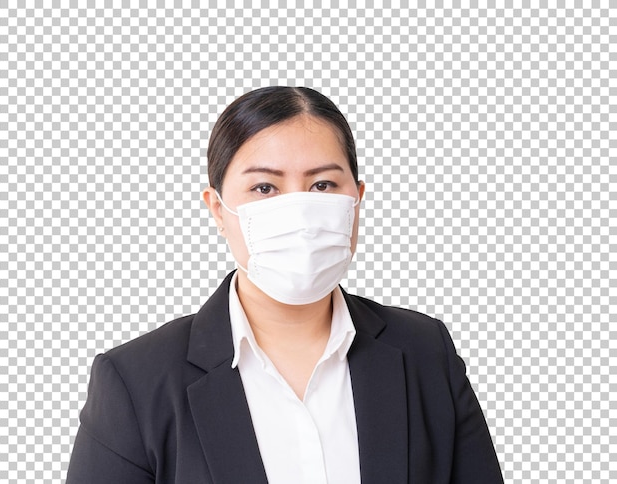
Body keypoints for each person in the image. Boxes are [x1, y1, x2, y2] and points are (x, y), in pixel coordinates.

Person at [66, 86, 503, 483]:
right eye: (264, 188)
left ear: (357, 200)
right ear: (218, 209)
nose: (299, 210)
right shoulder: (135, 382)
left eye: (322, 184)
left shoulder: (427, 353)